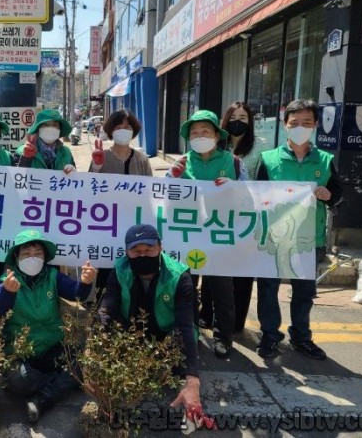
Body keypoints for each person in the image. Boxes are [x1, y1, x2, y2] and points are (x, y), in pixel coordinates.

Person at [255, 99, 343, 360]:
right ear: (285, 125)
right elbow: (256, 196)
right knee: (268, 290)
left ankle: (301, 337)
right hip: (274, 237)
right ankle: (270, 335)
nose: (300, 128)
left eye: (307, 123)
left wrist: (329, 195)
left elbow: (338, 194)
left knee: (304, 293)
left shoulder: (325, 160)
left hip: (308, 239)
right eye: (294, 123)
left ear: (315, 125)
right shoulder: (269, 159)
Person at [0, 229, 97, 422]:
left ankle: (41, 399)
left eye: (38, 254)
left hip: (52, 347)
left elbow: (76, 293)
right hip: (20, 351)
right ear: (16, 257)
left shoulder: (52, 276)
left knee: (84, 360)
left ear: (45, 257)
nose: (33, 258)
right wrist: (7, 292)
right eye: (26, 254)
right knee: (16, 379)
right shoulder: (6, 281)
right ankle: (63, 380)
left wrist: (85, 282)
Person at [98, 224, 202, 416]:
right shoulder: (120, 270)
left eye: (148, 250)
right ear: (127, 252)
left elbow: (186, 325)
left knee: (178, 358)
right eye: (136, 251)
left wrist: (193, 379)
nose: (142, 255)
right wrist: (93, 345)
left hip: (166, 332)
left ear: (160, 248)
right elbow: (107, 307)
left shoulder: (179, 277)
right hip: (131, 332)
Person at [167, 109, 246, 359]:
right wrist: (172, 178)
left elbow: (251, 195)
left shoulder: (233, 162)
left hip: (220, 237)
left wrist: (236, 188)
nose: (200, 136)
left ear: (215, 134)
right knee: (187, 286)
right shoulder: (181, 163)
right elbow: (162, 198)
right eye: (195, 132)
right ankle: (188, 332)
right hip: (188, 236)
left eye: (205, 131)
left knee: (223, 289)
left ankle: (223, 338)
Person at [199, 102, 269, 333]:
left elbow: (265, 183)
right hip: (215, 216)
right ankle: (207, 314)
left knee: (241, 270)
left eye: (244, 118)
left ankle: (234, 321)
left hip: (245, 215)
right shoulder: (216, 145)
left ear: (250, 122)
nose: (238, 122)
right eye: (233, 117)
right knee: (213, 269)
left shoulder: (261, 148)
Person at [88, 109, 152, 301]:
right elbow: (88, 188)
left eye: (127, 127)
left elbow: (150, 191)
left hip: (134, 223)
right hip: (106, 223)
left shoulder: (141, 159)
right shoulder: (102, 156)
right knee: (107, 270)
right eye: (118, 127)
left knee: (134, 267)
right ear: (110, 131)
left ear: (134, 131)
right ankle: (102, 309)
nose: (123, 130)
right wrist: (97, 166)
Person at [17, 109, 76, 174]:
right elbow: (15, 179)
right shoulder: (23, 151)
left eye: (55, 125)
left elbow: (74, 181)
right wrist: (25, 159)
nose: (50, 128)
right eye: (45, 125)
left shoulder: (66, 152)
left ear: (60, 129)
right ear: (38, 129)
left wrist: (73, 172)